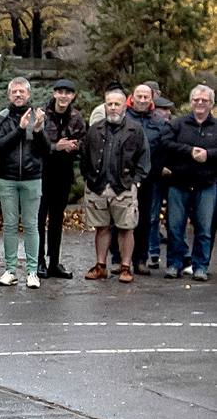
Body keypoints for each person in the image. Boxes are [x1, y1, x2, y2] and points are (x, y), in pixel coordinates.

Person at [80, 88, 149, 284]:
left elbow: (144, 158)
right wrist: (88, 177)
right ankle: (101, 266)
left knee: (126, 228)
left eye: (116, 104)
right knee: (101, 228)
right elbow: (84, 156)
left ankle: (125, 267)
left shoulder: (135, 130)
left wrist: (136, 180)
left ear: (124, 106)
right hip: (98, 186)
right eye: (109, 104)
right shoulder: (95, 128)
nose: (112, 107)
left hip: (124, 186)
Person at [0, 77, 48, 289]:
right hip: (8, 178)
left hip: (32, 178)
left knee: (32, 225)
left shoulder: (38, 116)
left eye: (21, 92)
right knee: (10, 225)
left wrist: (38, 130)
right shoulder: (3, 117)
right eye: (14, 91)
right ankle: (10, 270)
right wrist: (19, 129)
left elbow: (46, 150)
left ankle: (33, 271)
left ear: (28, 95)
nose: (18, 95)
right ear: (8, 95)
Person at [160, 84, 216, 281]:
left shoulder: (216, 126)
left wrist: (208, 155)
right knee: (175, 227)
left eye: (205, 100)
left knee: (205, 228)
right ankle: (174, 264)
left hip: (207, 184)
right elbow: (165, 144)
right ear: (191, 102)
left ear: (211, 103)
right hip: (179, 183)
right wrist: (189, 151)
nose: (200, 103)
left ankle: (200, 266)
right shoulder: (178, 124)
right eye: (196, 100)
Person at [36, 79, 87, 279]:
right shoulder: (42, 114)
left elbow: (84, 140)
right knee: (39, 218)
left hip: (64, 173)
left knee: (57, 219)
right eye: (61, 92)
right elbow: (36, 140)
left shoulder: (76, 117)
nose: (64, 96)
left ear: (73, 96)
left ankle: (54, 262)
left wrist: (74, 146)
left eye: (68, 93)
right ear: (54, 93)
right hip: (42, 172)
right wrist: (56, 146)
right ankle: (38, 260)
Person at [126, 83, 170, 274]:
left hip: (149, 178)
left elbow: (164, 148)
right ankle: (120, 260)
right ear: (132, 97)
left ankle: (140, 260)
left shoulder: (159, 122)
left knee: (145, 220)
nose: (142, 100)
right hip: (124, 178)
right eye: (139, 96)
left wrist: (159, 169)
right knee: (121, 221)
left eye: (146, 97)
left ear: (152, 99)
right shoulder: (122, 117)